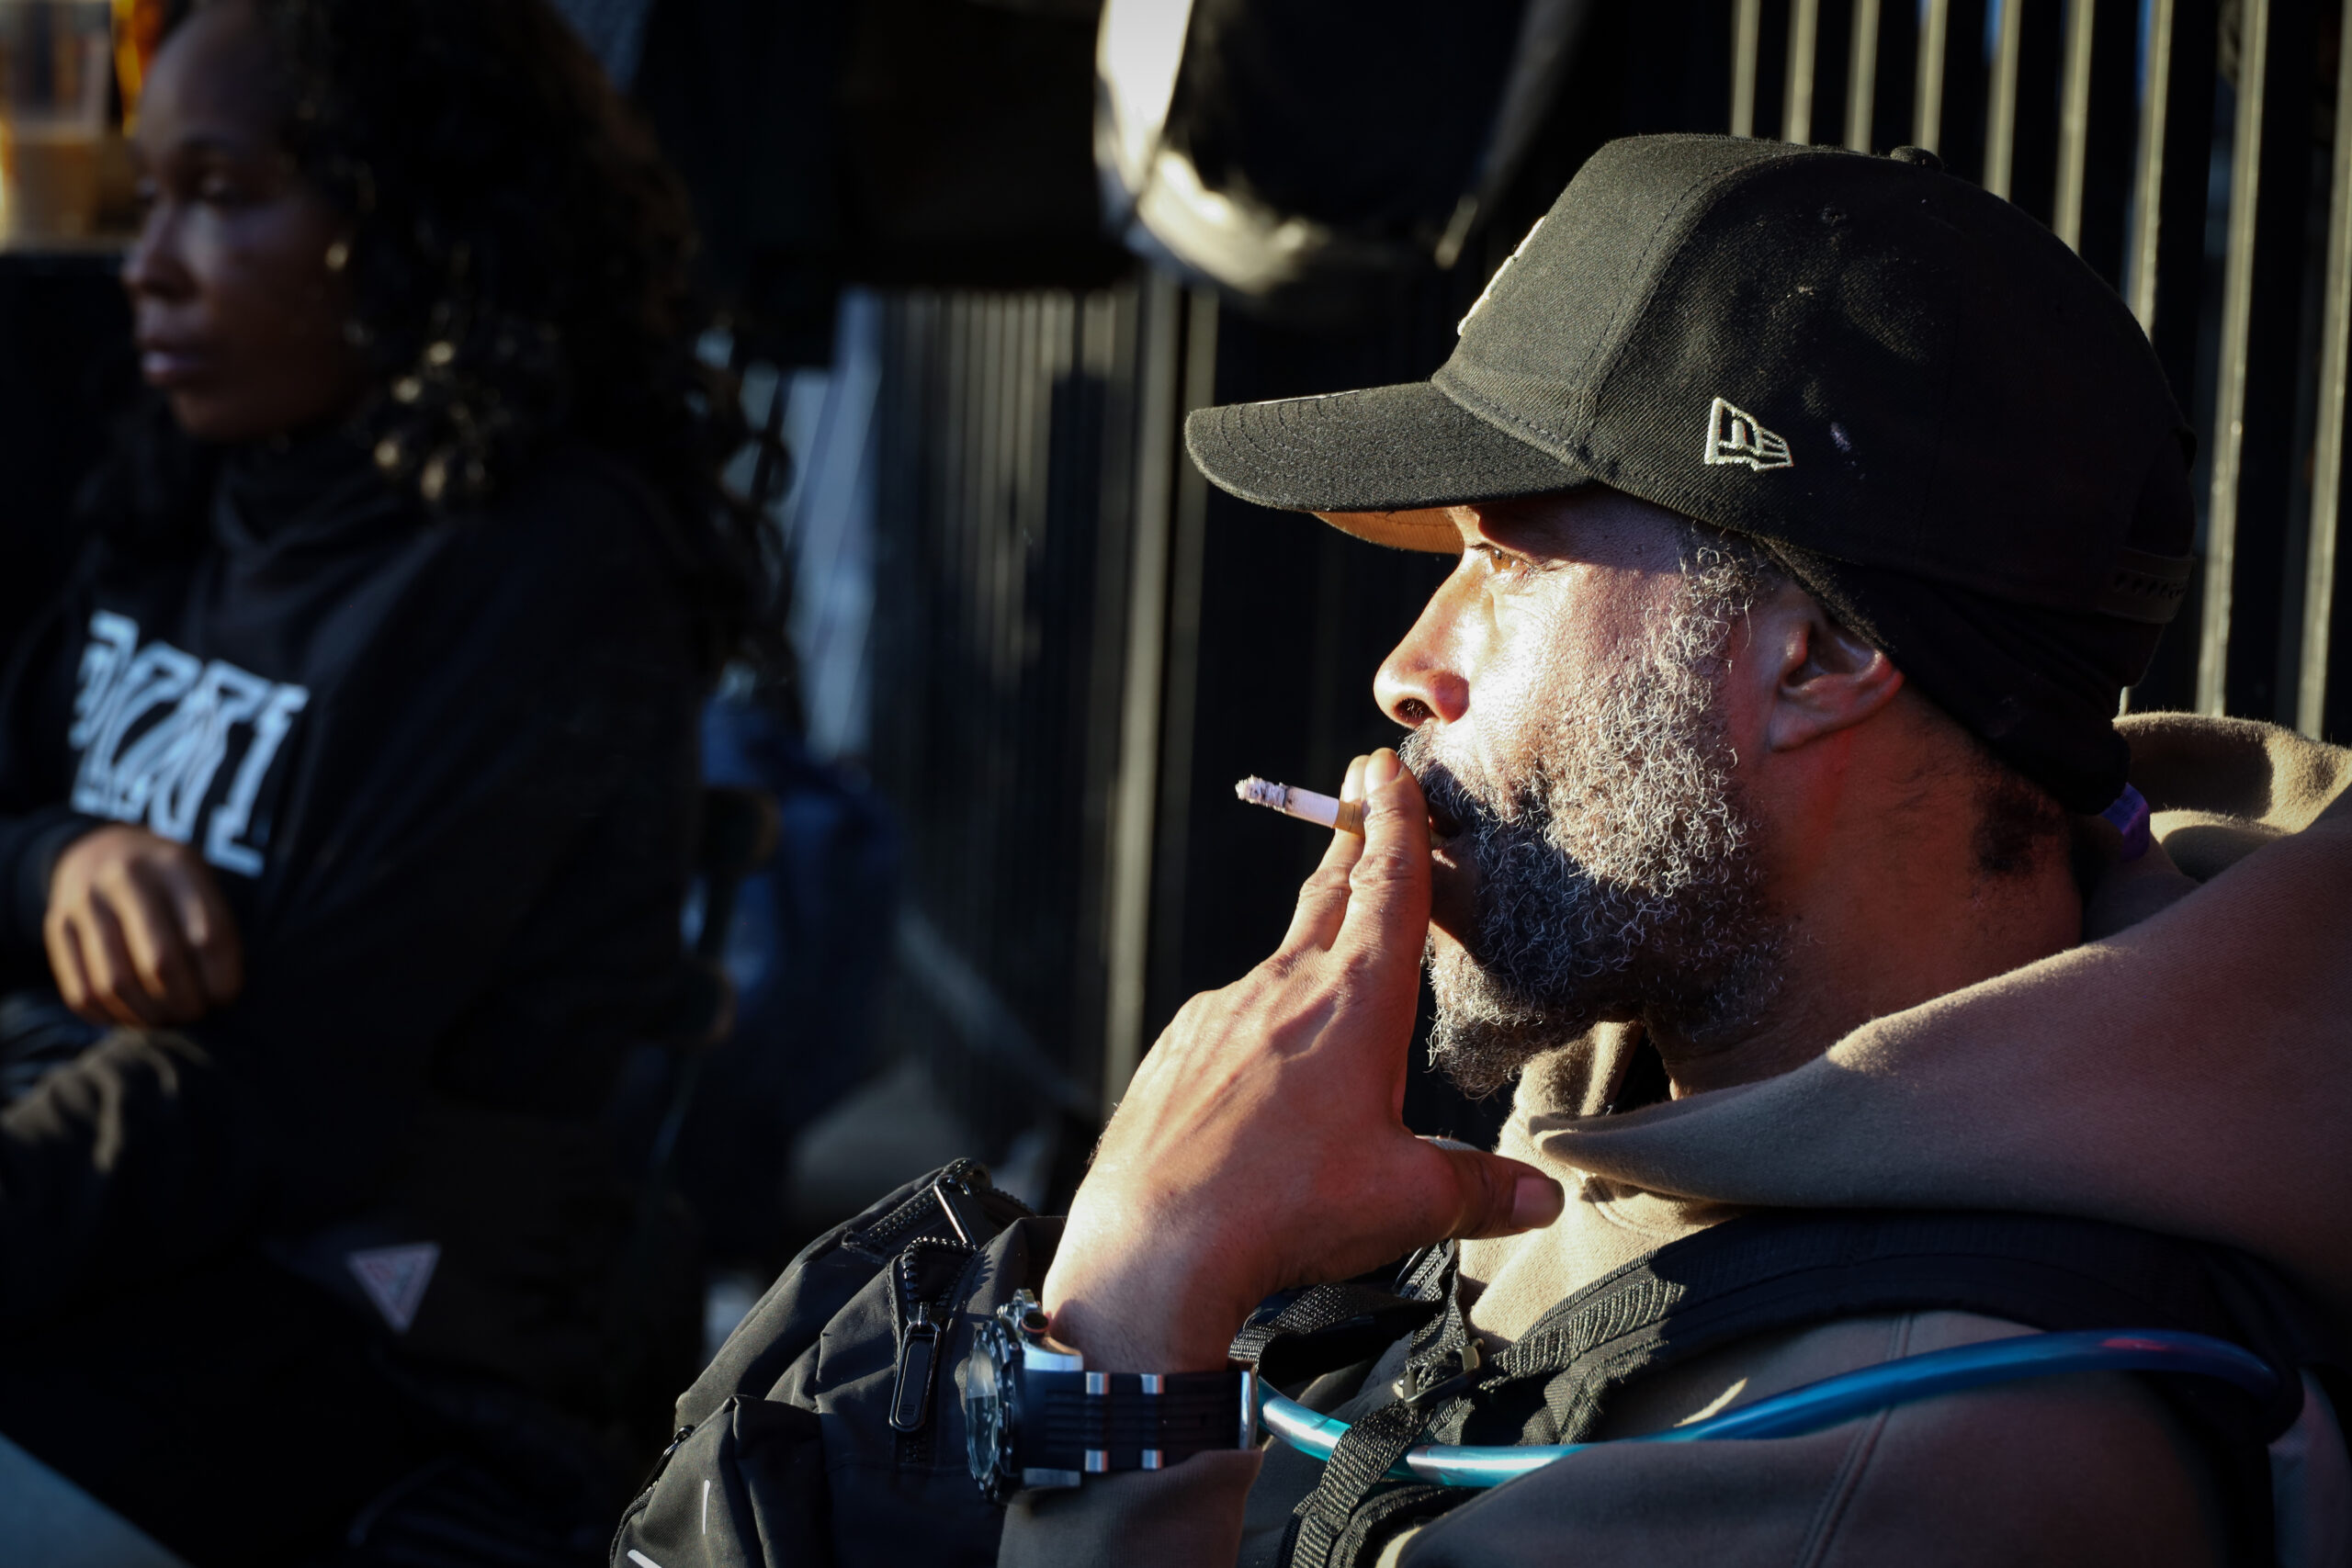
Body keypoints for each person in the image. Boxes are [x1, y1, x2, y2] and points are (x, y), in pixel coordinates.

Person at [1001, 137, 2352, 1565]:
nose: (1407, 669)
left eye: (1508, 561)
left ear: (1821, 654)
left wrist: (1138, 1308)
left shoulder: (1897, 1475)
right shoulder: (1643, 1094)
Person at [0, 0, 766, 1561]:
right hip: (106, 1235)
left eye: (222, 194)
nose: (148, 260)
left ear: (416, 222)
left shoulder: (540, 573)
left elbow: (280, 1093)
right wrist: (63, 857)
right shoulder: (202, 473)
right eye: (152, 198)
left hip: (357, 1339)